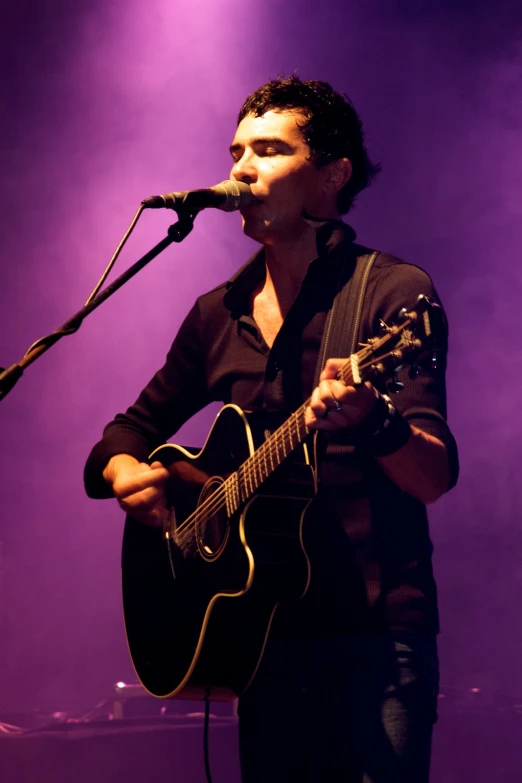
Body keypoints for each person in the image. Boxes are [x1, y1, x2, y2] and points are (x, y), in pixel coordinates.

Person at [84, 75, 458, 782]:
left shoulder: (390, 293)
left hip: (376, 637)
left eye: (268, 150)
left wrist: (371, 419)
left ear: (331, 176)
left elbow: (434, 475)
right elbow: (128, 428)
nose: (240, 170)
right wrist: (126, 473)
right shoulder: (217, 310)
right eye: (235, 152)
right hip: (261, 636)